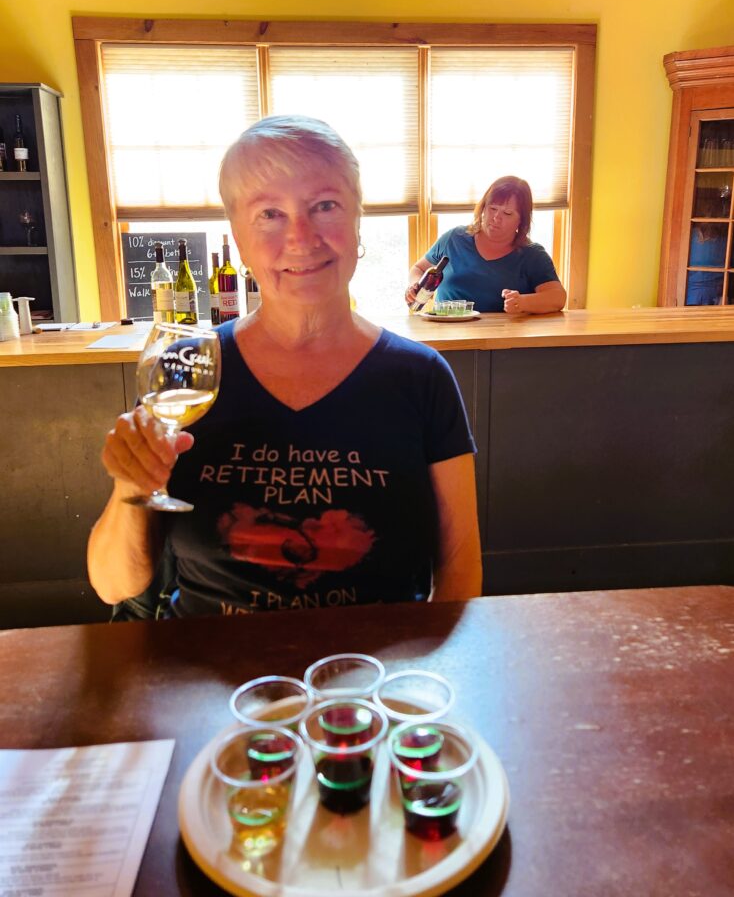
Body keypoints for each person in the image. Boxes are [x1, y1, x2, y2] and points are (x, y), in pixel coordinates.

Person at [88, 116, 482, 617]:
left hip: (371, 678)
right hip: (212, 681)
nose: (302, 237)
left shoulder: (421, 379)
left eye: (324, 206)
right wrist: (131, 482)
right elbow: (113, 585)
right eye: (270, 214)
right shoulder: (189, 368)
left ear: (357, 217)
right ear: (239, 236)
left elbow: (460, 567)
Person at [405, 175, 567, 314]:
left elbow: (557, 298)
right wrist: (415, 286)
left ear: (521, 220)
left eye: (507, 213)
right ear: (482, 208)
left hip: (502, 340)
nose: (496, 218)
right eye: (492, 208)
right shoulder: (454, 239)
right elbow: (419, 268)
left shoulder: (532, 254)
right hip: (448, 333)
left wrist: (522, 302)